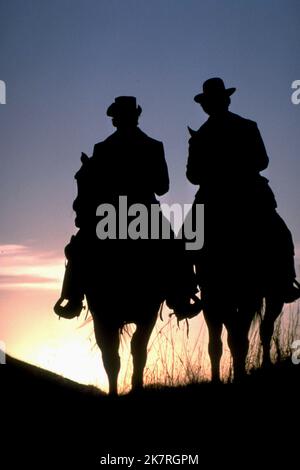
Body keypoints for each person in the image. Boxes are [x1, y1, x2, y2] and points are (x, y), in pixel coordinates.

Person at [54, 96, 201, 319]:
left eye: (117, 116)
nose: (116, 120)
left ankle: (73, 298)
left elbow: (95, 187)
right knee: (174, 247)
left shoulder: (102, 148)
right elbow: (162, 188)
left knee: (79, 248)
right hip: (145, 214)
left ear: (117, 119)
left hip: (110, 215)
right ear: (136, 117)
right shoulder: (153, 145)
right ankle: (182, 297)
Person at [186, 77, 300, 302]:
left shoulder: (204, 135)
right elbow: (263, 161)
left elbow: (192, 176)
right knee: (281, 235)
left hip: (218, 198)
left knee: (185, 242)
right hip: (248, 195)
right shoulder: (245, 126)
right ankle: (285, 281)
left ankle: (185, 292)